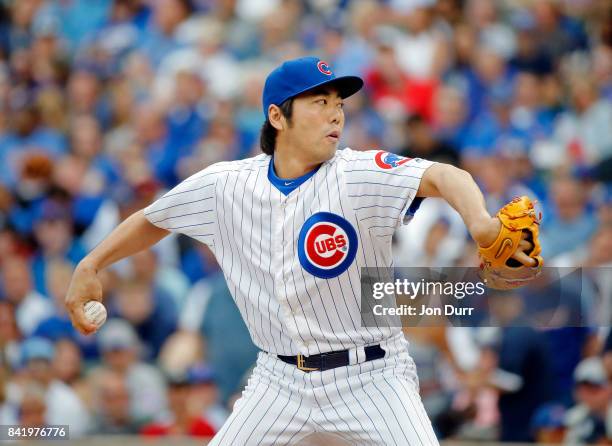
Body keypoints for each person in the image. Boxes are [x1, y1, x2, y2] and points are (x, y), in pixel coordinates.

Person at [65, 57, 536, 445]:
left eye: (339, 103)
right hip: (278, 380)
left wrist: (479, 221)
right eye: (319, 101)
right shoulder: (225, 185)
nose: (336, 113)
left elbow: (444, 176)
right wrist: (91, 263)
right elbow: (154, 219)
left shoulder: (358, 173)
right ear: (276, 116)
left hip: (371, 375)